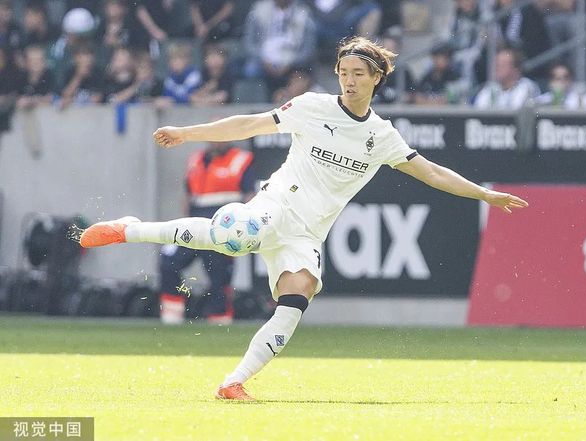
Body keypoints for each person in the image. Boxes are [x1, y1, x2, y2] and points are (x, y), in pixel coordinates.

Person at [77, 36, 528, 401]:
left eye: (359, 74)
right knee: (235, 237)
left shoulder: (381, 136)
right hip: (277, 204)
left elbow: (430, 172)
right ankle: (130, 229)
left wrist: (483, 193)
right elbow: (250, 124)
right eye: (344, 72)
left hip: (309, 232)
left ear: (377, 78)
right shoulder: (313, 107)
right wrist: (186, 132)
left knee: (297, 297)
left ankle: (234, 382)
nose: (349, 81)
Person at [159, 141, 254, 325]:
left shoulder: (240, 160)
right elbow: (188, 193)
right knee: (168, 261)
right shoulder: (196, 159)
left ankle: (220, 319)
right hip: (194, 225)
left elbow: (249, 195)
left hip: (222, 229)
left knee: (218, 276)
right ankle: (172, 315)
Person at [473, 47, 540, 109]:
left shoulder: (526, 86)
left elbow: (516, 110)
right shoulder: (490, 88)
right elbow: (478, 110)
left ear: (516, 69)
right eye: (497, 64)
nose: (497, 68)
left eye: (502, 65)